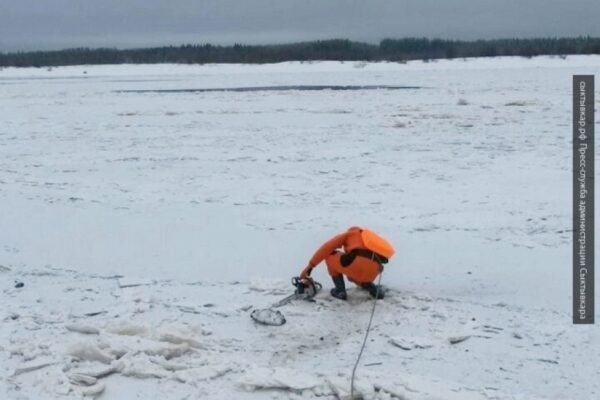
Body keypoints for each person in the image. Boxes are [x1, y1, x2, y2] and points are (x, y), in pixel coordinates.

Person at [300, 226, 394, 300]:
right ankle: (371, 288)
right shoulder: (369, 239)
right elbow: (384, 260)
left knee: (329, 255)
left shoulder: (349, 234)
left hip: (356, 263)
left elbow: (326, 248)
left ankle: (340, 291)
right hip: (374, 270)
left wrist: (310, 266)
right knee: (352, 273)